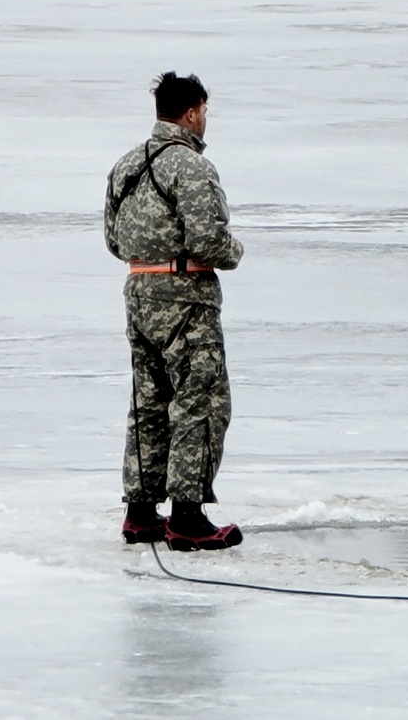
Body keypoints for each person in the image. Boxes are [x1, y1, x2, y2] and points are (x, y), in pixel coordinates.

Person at [105, 72, 244, 551]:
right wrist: (234, 250)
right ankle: (187, 516)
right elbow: (209, 239)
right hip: (185, 297)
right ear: (190, 113)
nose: (206, 121)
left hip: (139, 291)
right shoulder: (191, 167)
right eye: (204, 111)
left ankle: (140, 513)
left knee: (148, 402)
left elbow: (112, 239)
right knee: (199, 400)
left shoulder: (126, 165)